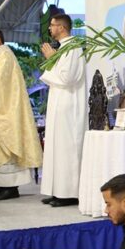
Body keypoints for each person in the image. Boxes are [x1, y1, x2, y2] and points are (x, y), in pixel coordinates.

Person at [0, 27, 42, 200]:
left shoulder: (5, 55)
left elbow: (0, 84)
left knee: (5, 147)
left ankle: (10, 188)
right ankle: (2, 184)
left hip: (3, 113)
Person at [39, 14, 87, 207]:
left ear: (62, 27)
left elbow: (68, 78)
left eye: (52, 25)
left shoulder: (73, 47)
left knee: (67, 149)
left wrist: (52, 59)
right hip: (59, 104)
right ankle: (57, 191)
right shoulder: (64, 47)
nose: (50, 28)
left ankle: (69, 193)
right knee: (56, 148)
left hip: (69, 106)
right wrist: (54, 59)